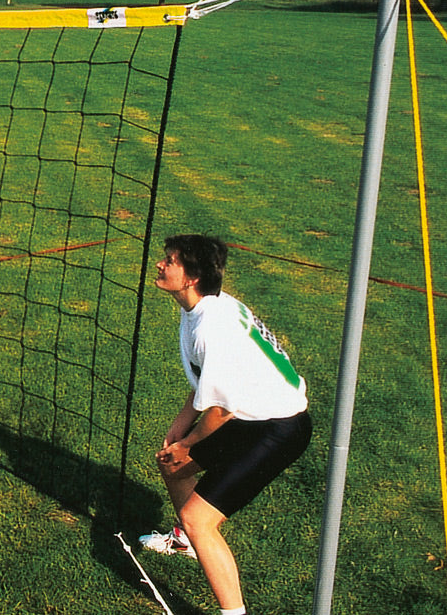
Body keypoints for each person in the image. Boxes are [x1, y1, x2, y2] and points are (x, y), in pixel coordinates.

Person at [139, 234, 312, 615]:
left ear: (192, 277)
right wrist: (179, 430)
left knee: (199, 517)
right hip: (249, 414)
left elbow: (220, 412)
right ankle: (183, 542)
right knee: (171, 464)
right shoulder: (201, 310)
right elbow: (208, 384)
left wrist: (187, 443)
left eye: (170, 261)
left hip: (277, 427)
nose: (160, 264)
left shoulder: (211, 327)